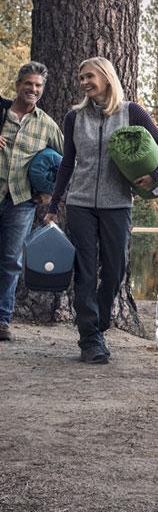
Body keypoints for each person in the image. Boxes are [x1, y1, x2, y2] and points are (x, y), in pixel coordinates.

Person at [45, 57, 158, 363]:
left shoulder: (131, 112)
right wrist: (53, 205)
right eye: (81, 78)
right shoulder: (74, 118)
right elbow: (67, 164)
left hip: (118, 204)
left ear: (106, 77)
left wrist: (156, 175)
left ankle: (98, 323)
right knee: (85, 272)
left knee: (115, 269)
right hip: (80, 204)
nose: (84, 83)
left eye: (89, 76)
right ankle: (90, 338)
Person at [0, 62, 64, 342]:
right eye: (29, 84)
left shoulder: (47, 124)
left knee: (10, 261)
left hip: (22, 202)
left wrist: (50, 195)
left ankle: (2, 320)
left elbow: (69, 163)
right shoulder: (1, 112)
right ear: (18, 85)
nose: (33, 89)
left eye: (38, 86)